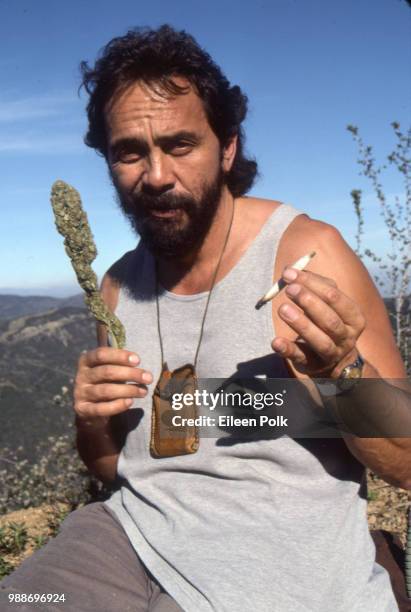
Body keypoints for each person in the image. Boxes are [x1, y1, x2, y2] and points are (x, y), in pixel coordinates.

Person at [2, 25, 410, 612]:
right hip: (126, 538)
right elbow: (116, 465)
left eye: (180, 144)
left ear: (228, 148)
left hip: (272, 557)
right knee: (25, 601)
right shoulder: (117, 287)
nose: (157, 175)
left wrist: (342, 372)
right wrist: (91, 421)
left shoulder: (305, 251)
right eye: (130, 152)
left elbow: (407, 460)